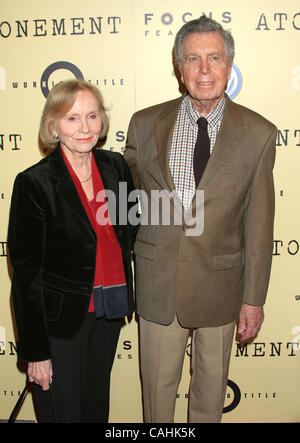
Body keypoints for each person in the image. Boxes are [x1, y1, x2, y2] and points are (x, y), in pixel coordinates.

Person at [124, 16, 276, 423]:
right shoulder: (143, 123)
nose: (204, 70)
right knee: (156, 401)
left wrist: (254, 298)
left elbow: (259, 225)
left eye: (214, 58)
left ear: (229, 65)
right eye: (193, 59)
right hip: (159, 284)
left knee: (209, 401)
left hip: (222, 287)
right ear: (179, 67)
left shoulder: (259, 133)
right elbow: (126, 203)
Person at [8, 79, 138, 423]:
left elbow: (128, 228)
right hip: (61, 321)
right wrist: (35, 352)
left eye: (92, 116)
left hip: (109, 310)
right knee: (64, 413)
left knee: (96, 407)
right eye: (72, 118)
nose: (84, 127)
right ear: (53, 126)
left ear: (102, 122)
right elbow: (25, 277)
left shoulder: (115, 167)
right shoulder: (34, 183)